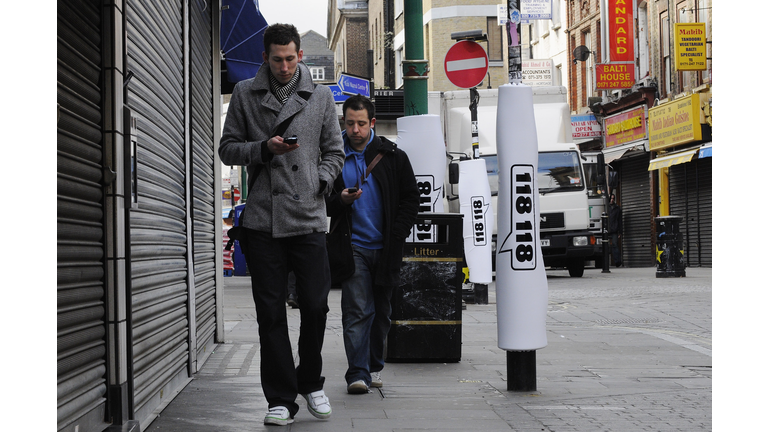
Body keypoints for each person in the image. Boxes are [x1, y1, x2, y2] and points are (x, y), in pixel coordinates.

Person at [218, 23, 344, 426]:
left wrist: (319, 181)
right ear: (265, 58)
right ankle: (280, 398)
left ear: (300, 56)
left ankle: (311, 382)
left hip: (307, 217)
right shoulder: (244, 94)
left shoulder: (321, 96)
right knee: (269, 312)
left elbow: (335, 152)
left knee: (316, 306)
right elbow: (227, 149)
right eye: (278, 59)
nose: (285, 66)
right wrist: (263, 149)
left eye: (291, 58)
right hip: (262, 221)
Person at [326, 95, 419, 395]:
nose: (355, 130)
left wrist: (398, 233)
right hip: (352, 246)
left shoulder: (392, 156)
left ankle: (374, 364)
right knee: (356, 310)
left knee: (382, 313)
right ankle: (357, 373)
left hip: (387, 247)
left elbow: (411, 200)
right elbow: (319, 200)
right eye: (350, 123)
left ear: (373, 123)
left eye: (361, 124)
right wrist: (339, 201)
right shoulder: (332, 157)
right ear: (343, 121)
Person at [608, 193, 623, 267]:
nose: (612, 200)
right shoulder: (606, 207)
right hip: (607, 229)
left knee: (615, 245)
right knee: (605, 246)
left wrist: (620, 231)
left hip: (614, 229)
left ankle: (617, 261)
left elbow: (619, 220)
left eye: (613, 198)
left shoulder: (617, 208)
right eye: (611, 198)